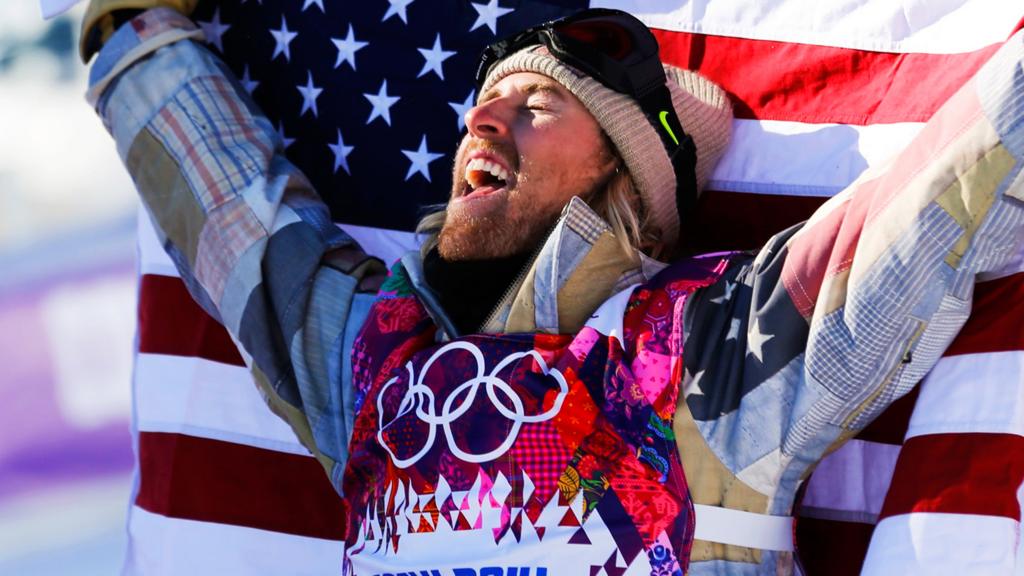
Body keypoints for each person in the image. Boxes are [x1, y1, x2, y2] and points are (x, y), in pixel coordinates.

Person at [83, 5, 1024, 575]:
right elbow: (235, 223)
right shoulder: (374, 368)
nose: (484, 119)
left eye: (537, 107)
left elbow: (945, 203)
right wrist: (132, 39)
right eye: (483, 105)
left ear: (627, 185)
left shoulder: (697, 359)